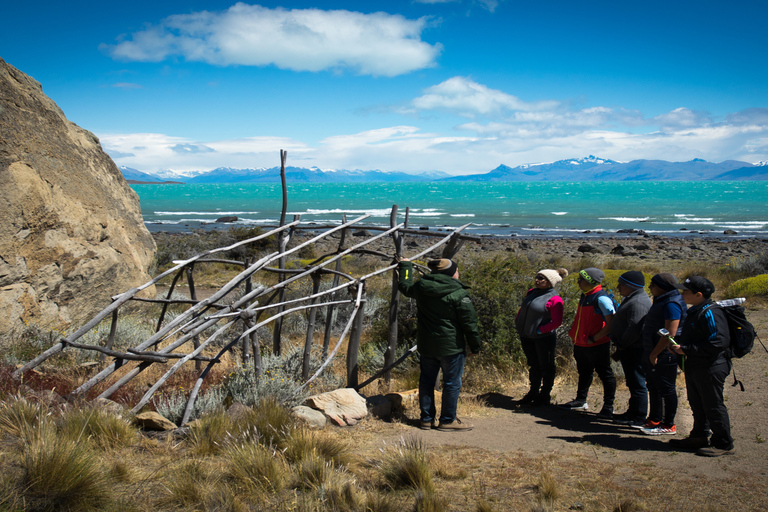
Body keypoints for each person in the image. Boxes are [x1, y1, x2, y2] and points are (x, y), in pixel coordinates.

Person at [397, 257, 481, 432]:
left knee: (426, 381)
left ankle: (426, 419)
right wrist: (475, 346)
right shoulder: (458, 292)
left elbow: (405, 286)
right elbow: (469, 323)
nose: (458, 273)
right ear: (451, 273)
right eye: (456, 270)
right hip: (451, 346)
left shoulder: (421, 287)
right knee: (451, 383)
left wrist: (405, 266)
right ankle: (447, 420)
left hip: (427, 345)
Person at [668, 276, 734, 456]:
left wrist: (686, 349)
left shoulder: (710, 312)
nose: (682, 294)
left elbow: (719, 342)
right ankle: (699, 436)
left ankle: (723, 443)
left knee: (712, 404)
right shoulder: (696, 310)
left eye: (686, 291)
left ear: (699, 295)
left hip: (711, 366)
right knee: (697, 403)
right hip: (697, 364)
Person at [634, 273, 687, 434]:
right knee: (654, 386)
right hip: (654, 350)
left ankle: (668, 425)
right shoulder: (663, 300)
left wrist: (655, 353)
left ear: (662, 288)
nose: (649, 287)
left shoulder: (671, 303)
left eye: (653, 284)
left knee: (666, 388)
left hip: (665, 353)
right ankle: (654, 420)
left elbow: (670, 333)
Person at [562, 268, 617, 417]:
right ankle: (581, 400)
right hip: (581, 343)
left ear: (590, 281)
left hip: (597, 344)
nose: (578, 282)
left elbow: (612, 324)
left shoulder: (601, 298)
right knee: (584, 372)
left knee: (605, 374)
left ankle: (608, 406)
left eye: (581, 279)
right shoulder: (585, 295)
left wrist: (595, 338)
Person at [515, 268, 568, 406]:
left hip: (543, 338)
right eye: (537, 277)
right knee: (534, 365)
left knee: (547, 366)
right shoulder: (532, 292)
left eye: (541, 278)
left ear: (550, 282)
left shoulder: (555, 299)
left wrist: (541, 330)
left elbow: (557, 321)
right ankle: (533, 392)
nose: (537, 280)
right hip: (526, 336)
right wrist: (518, 321)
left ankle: (544, 395)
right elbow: (524, 309)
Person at [609, 271, 651, 424]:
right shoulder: (634, 299)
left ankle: (638, 416)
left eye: (622, 284)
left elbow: (634, 328)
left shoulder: (638, 302)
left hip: (633, 349)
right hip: (630, 348)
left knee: (637, 382)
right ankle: (632, 413)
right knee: (633, 382)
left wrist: (621, 344)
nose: (618, 287)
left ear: (630, 286)